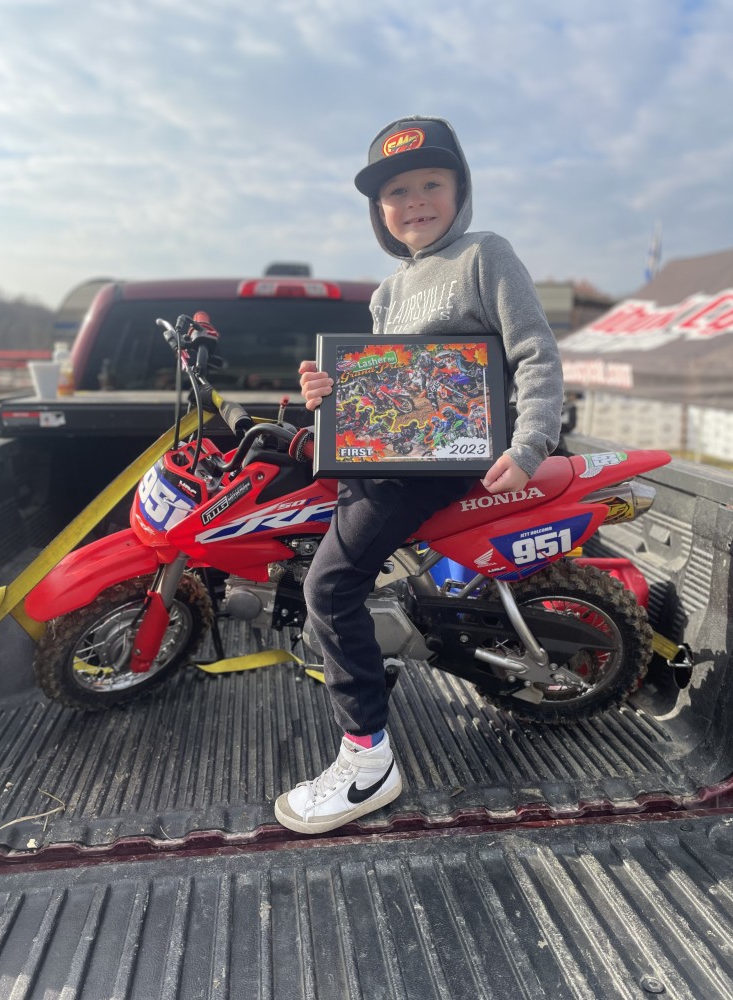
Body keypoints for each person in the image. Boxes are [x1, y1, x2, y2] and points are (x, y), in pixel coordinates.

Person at [274, 115, 563, 835]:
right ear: (379, 211)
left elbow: (534, 352)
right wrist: (329, 394)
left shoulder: (484, 255)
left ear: (460, 189)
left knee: (328, 587)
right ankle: (382, 654)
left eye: (431, 183)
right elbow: (384, 389)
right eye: (396, 192)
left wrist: (530, 443)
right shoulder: (387, 293)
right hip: (385, 462)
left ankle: (368, 761)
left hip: (441, 466)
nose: (415, 202)